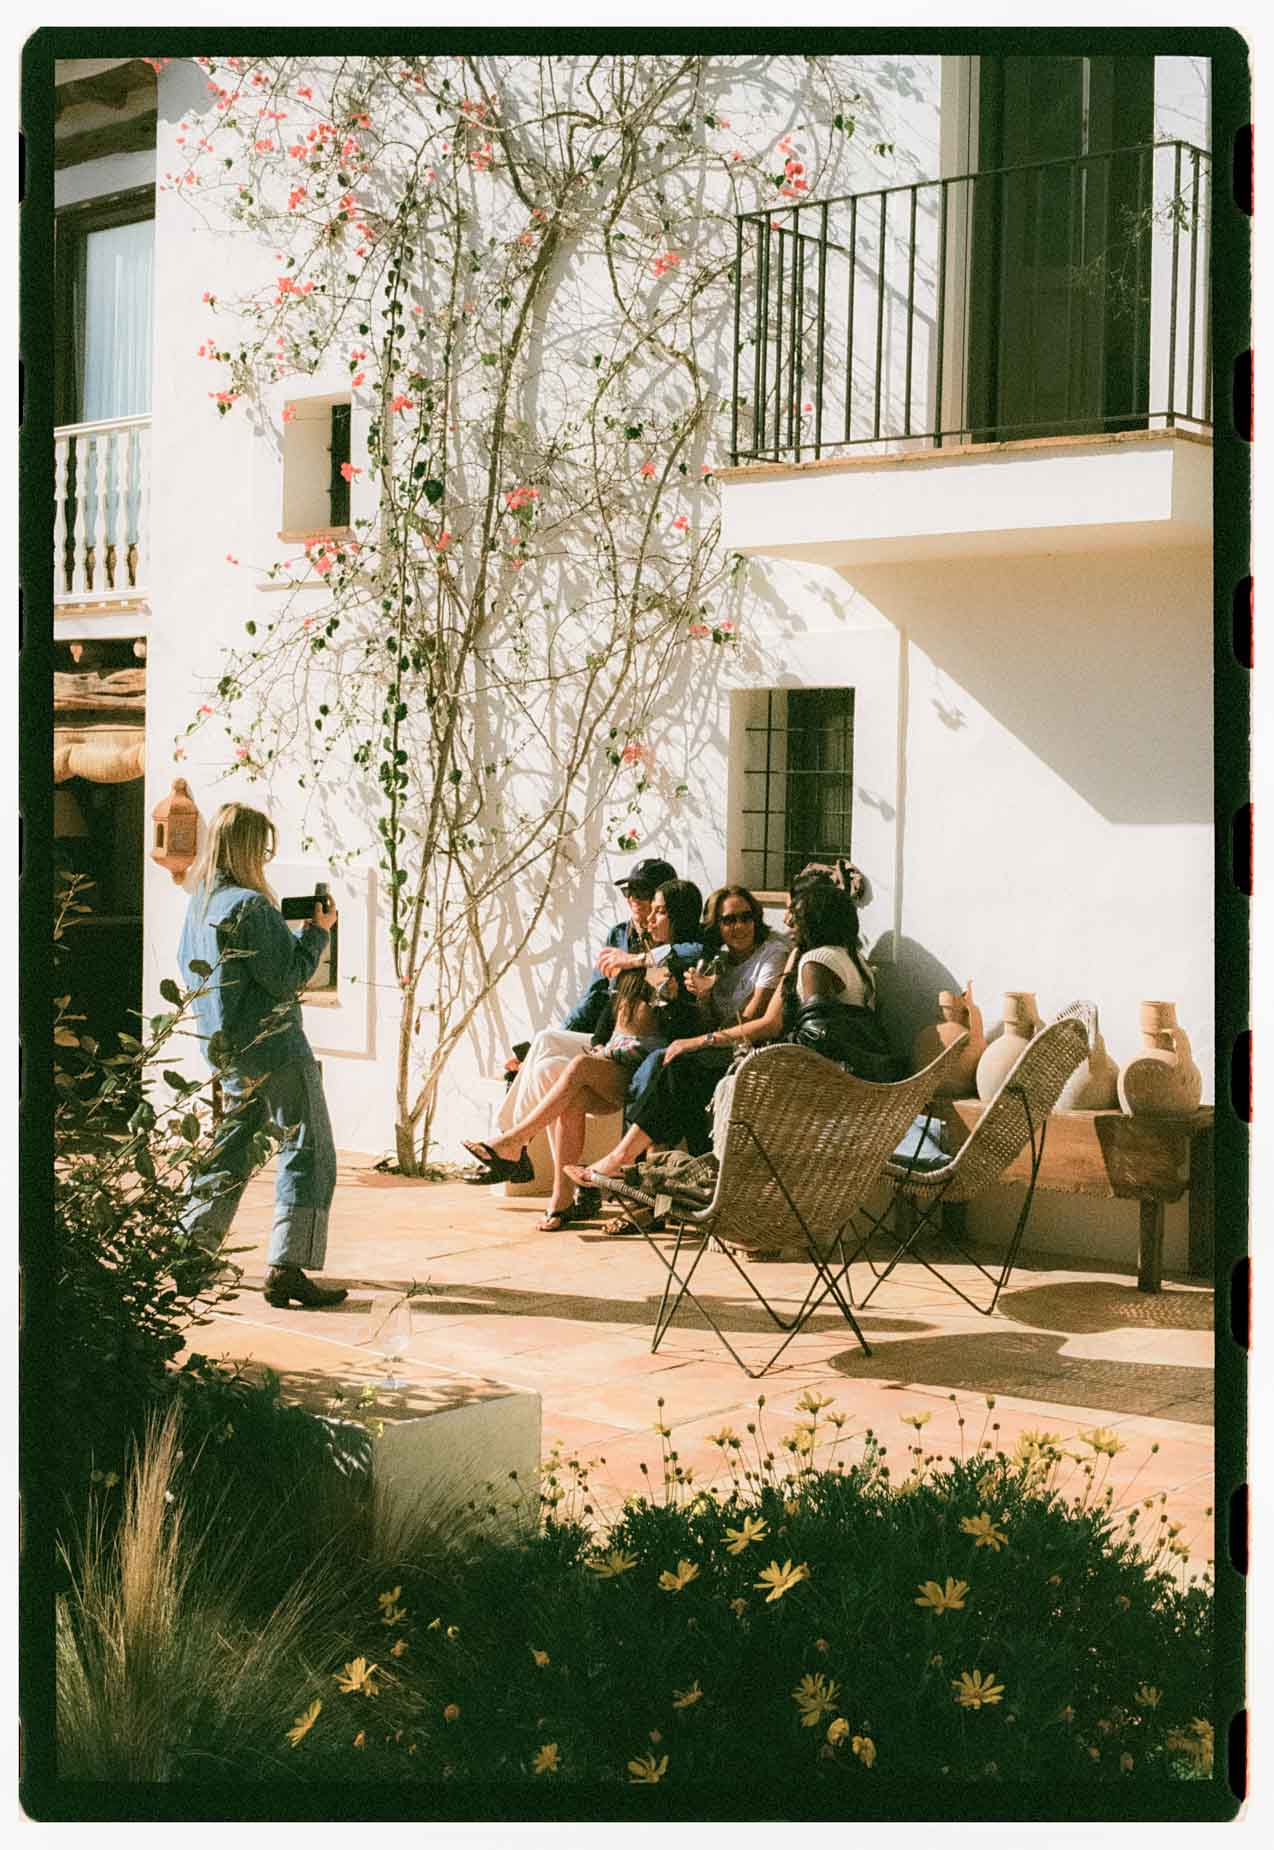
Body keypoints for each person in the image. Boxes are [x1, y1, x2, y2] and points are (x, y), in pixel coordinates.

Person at [568, 870, 889, 1193]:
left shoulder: (813, 961)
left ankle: (632, 1166)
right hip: (829, 1074)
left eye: (796, 913)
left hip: (812, 1079)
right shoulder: (852, 960)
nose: (788, 921)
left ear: (815, 917)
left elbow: (773, 1023)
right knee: (684, 1074)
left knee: (679, 1070)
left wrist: (698, 1040)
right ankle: (653, 1175)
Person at [178, 803, 347, 1309]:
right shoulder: (251, 907)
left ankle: (190, 1252)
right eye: (265, 848)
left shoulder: (200, 905)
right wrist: (317, 932)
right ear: (251, 849)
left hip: (227, 1050)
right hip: (274, 1048)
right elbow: (288, 977)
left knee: (230, 1148)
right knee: (308, 1148)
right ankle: (288, 1267)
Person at [464, 878, 704, 1228]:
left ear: (680, 916)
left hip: (644, 1069)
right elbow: (611, 1007)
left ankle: (515, 1141)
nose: (651, 919)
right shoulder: (644, 955)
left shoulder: (681, 959)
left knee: (577, 1066)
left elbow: (672, 1014)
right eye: (651, 911)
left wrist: (659, 982)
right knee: (569, 1097)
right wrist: (603, 1039)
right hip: (617, 1056)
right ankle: (561, 1201)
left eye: (660, 912)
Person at [564, 885, 786, 1174]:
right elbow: (612, 1004)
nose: (739, 926)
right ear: (717, 926)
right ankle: (625, 1175)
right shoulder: (717, 961)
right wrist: (704, 998)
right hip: (709, 1051)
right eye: (729, 920)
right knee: (659, 1069)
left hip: (742, 1056)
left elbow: (748, 1021)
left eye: (746, 917)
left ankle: (624, 1164)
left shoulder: (768, 954)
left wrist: (695, 1034)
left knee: (665, 1064)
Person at [561, 856, 675, 1034]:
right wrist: (564, 1031)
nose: (633, 898)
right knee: (546, 1041)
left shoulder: (674, 939)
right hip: (608, 1034)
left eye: (642, 891)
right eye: (628, 890)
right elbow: (595, 994)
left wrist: (635, 960)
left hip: (650, 1036)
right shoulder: (618, 934)